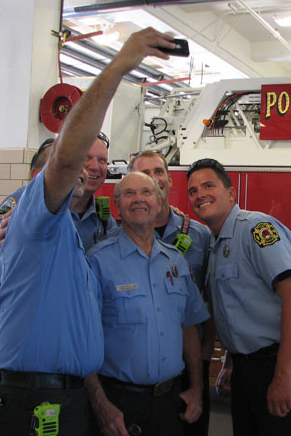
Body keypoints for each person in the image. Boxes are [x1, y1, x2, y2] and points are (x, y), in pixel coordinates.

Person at [0, 28, 177, 436]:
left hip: (68, 397)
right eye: (78, 161)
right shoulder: (36, 215)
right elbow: (66, 155)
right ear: (42, 175)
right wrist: (122, 63)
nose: (88, 167)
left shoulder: (82, 229)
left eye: (100, 161)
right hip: (35, 398)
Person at [186, 158, 291, 436]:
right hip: (247, 370)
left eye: (208, 185)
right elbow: (234, 310)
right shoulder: (215, 243)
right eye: (193, 190)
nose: (199, 194)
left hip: (280, 364)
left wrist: (283, 375)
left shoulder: (256, 229)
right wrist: (229, 362)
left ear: (231, 193)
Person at [85, 171, 210, 436]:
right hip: (119, 403)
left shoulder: (176, 261)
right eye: (129, 193)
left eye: (147, 192)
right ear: (117, 204)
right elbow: (82, 340)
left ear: (160, 200)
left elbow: (188, 326)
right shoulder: (98, 262)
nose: (139, 200)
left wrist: (197, 387)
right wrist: (100, 404)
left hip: (171, 403)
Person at [0, 137, 53, 436]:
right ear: (36, 175)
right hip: (10, 350)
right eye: (56, 166)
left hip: (58, 357)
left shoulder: (92, 216)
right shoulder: (16, 205)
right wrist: (4, 243)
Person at [128, 151, 214, 436]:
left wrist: (204, 362)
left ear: (169, 179)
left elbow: (209, 301)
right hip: (137, 369)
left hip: (189, 365)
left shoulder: (200, 235)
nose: (153, 180)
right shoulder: (117, 239)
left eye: (158, 172)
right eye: (144, 174)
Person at [71, 131, 117, 251]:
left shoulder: (105, 220)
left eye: (102, 160)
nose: (95, 166)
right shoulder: (39, 209)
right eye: (86, 157)